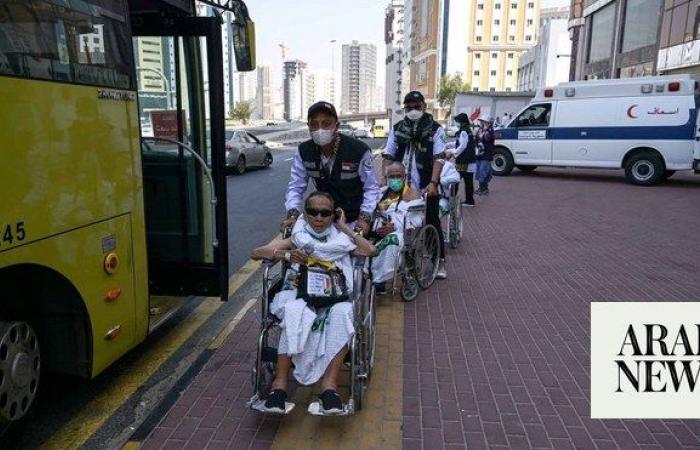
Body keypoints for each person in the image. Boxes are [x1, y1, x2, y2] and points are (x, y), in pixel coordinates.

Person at [252, 192, 376, 414]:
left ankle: (329, 387)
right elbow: (256, 252)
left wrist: (344, 227)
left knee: (345, 313)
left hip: (334, 296)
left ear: (333, 215)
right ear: (305, 214)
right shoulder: (298, 238)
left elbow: (370, 250)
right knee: (293, 311)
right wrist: (288, 255)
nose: (319, 217)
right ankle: (279, 387)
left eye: (325, 213)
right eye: (313, 212)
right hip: (301, 294)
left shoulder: (341, 240)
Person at [283, 101, 380, 235]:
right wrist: (292, 215)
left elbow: (371, 188)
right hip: (321, 220)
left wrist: (364, 219)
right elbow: (295, 186)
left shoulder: (359, 150)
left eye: (326, 124)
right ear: (309, 127)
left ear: (337, 126)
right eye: (314, 124)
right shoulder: (303, 151)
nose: (320, 129)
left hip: (353, 221)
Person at [381, 91, 448, 279]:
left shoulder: (435, 130)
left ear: (424, 107)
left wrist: (433, 183)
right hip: (399, 186)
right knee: (394, 219)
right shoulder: (398, 129)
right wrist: (383, 178)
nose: (413, 111)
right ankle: (402, 261)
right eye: (409, 107)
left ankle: (440, 261)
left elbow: (439, 158)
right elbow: (388, 154)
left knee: (431, 221)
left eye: (417, 107)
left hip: (426, 185)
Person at [371, 162, 423, 289]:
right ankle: (368, 274)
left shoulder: (413, 195)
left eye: (398, 176)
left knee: (391, 240)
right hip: (378, 231)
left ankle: (379, 279)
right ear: (386, 178)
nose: (395, 179)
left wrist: (393, 227)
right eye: (391, 176)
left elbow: (416, 222)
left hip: (400, 234)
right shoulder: (380, 194)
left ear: (404, 177)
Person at [449, 113, 476, 207]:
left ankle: (452, 200)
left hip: (464, 161)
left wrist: (453, 153)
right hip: (469, 161)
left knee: (455, 180)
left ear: (462, 122)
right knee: (468, 181)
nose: (457, 123)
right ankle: (469, 200)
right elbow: (460, 143)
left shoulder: (464, 131)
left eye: (458, 121)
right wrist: (449, 145)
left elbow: (463, 146)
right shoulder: (467, 130)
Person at [475, 114, 496, 195]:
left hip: (486, 154)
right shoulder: (480, 130)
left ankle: (484, 189)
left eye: (485, 122)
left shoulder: (490, 131)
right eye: (482, 121)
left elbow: (489, 140)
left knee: (483, 171)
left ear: (489, 122)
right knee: (479, 171)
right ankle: (481, 188)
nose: (483, 123)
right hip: (479, 154)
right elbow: (476, 139)